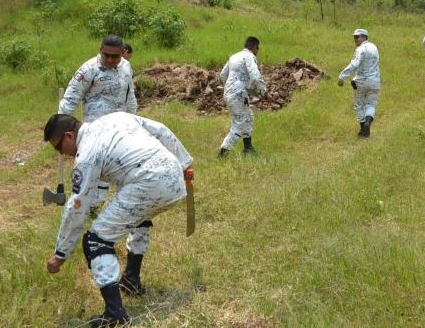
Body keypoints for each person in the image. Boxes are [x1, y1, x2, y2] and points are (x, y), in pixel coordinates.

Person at [44, 112, 193, 327]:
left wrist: (60, 254)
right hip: (173, 176)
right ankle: (131, 280)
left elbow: (77, 208)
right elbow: (161, 130)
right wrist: (185, 162)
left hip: (148, 181)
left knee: (96, 241)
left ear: (69, 136)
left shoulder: (86, 155)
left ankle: (115, 314)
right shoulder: (116, 117)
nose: (62, 154)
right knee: (138, 217)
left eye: (58, 148)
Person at [59, 35, 138, 211]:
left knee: (119, 167)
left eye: (115, 56)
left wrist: (134, 120)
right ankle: (88, 207)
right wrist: (60, 129)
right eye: (106, 55)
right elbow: (70, 99)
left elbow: (130, 95)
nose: (110, 60)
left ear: (123, 53)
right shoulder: (88, 70)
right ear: (99, 50)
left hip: (122, 128)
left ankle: (117, 206)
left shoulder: (126, 67)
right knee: (94, 170)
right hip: (96, 131)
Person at [218, 36, 267, 157]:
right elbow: (255, 76)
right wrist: (263, 91)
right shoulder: (250, 56)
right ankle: (223, 153)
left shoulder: (234, 56)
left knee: (248, 116)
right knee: (239, 124)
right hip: (238, 95)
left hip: (230, 93)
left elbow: (222, 75)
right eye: (257, 49)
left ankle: (248, 148)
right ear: (255, 47)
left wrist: (233, 87)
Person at [338, 29, 381, 138]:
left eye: (357, 37)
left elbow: (354, 64)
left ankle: (363, 128)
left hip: (361, 81)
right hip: (375, 81)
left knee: (359, 105)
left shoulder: (361, 49)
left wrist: (342, 77)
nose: (355, 39)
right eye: (354, 37)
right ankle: (368, 122)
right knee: (371, 104)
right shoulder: (374, 47)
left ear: (365, 37)